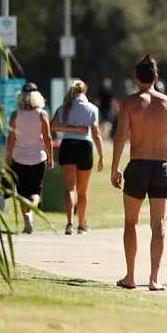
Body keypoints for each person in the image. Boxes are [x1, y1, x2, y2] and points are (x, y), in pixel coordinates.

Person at [111, 55, 167, 291]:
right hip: (161, 166)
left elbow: (120, 137)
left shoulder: (129, 104)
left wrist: (114, 167)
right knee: (158, 225)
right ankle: (153, 279)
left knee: (130, 222)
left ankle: (130, 276)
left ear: (136, 78)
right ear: (155, 77)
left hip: (138, 165)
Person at [51, 80, 104, 235]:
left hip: (67, 145)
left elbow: (52, 125)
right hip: (84, 147)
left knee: (69, 189)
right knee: (82, 191)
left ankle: (69, 223)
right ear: (85, 92)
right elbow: (96, 134)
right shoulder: (92, 108)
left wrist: (70, 129)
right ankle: (81, 224)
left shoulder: (64, 108)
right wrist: (101, 155)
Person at [5, 83, 54, 234]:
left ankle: (26, 215)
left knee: (21, 192)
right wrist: (51, 157)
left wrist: (8, 156)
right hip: (38, 157)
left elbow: (11, 138)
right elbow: (48, 138)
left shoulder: (15, 114)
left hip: (19, 157)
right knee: (36, 190)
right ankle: (31, 212)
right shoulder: (42, 114)